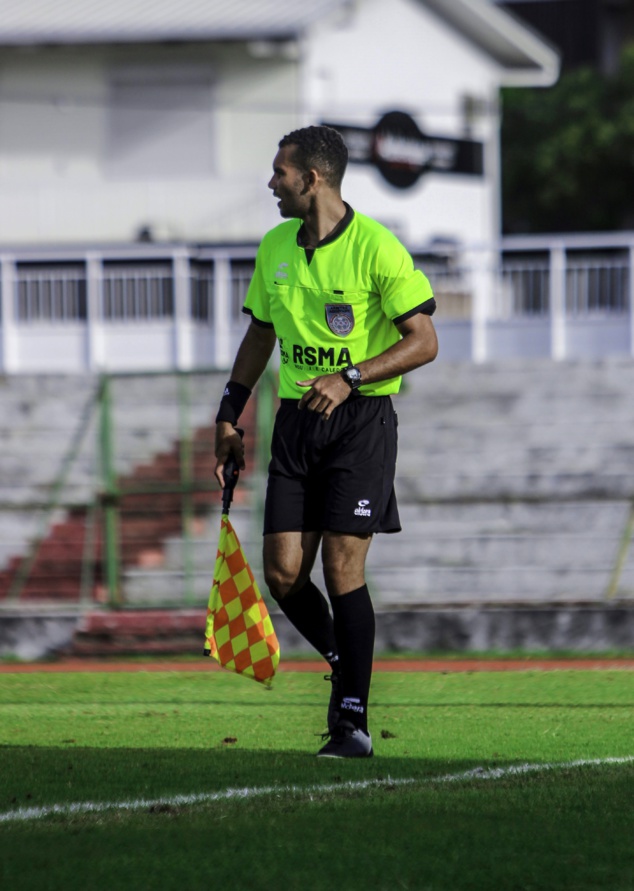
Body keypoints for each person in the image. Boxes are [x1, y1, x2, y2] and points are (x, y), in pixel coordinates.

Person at [214, 125, 438, 758]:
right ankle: (350, 663)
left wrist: (351, 377)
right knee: (284, 575)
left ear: (312, 179)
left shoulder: (376, 247)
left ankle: (352, 722)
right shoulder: (275, 247)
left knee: (342, 569)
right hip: (295, 422)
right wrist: (230, 413)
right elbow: (260, 334)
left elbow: (424, 341)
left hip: (361, 423)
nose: (271, 183)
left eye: (279, 172)